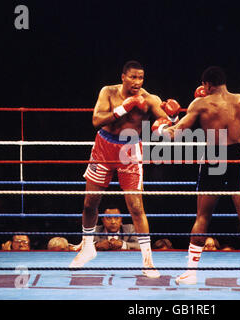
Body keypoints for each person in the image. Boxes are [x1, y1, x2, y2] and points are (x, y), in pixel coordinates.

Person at [69, 60, 181, 279]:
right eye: (133, 77)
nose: (137, 82)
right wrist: (123, 109)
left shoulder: (150, 99)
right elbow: (96, 120)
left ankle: (148, 261)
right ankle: (87, 247)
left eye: (141, 78)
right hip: (103, 147)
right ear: (123, 77)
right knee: (90, 202)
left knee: (136, 206)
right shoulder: (108, 93)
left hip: (130, 149)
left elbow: (166, 128)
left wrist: (173, 117)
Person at [161, 66, 240, 289]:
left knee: (203, 216)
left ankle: (191, 272)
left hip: (213, 156)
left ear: (206, 85)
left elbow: (176, 133)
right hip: (239, 155)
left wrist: (166, 122)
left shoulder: (200, 104)